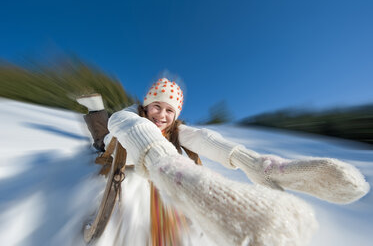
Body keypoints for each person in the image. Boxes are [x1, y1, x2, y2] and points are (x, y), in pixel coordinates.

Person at [77, 77, 369, 246]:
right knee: (102, 135)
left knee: (191, 135)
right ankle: (94, 110)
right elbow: (124, 123)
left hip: (151, 156)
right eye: (156, 106)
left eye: (169, 110)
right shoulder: (132, 116)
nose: (161, 115)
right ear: (145, 104)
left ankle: (264, 166)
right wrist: (171, 166)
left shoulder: (174, 128)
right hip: (115, 145)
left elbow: (202, 138)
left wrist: (255, 163)